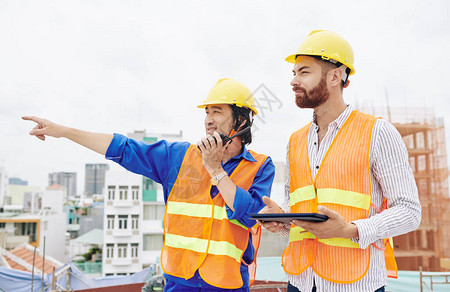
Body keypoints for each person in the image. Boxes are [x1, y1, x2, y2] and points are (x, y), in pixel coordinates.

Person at [23, 78, 275, 291]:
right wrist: (65, 131)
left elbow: (250, 216)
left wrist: (215, 170)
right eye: (206, 112)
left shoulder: (260, 166)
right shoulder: (177, 157)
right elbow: (123, 148)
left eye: (217, 111)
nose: (208, 119)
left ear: (241, 121)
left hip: (227, 284)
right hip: (179, 283)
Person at [258, 30, 421, 292]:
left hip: (356, 284)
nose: (294, 81)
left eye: (304, 72)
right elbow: (299, 209)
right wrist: (282, 220)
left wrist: (351, 230)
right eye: (294, 73)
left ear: (335, 76)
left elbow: (410, 212)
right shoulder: (294, 141)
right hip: (299, 281)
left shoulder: (377, 132)